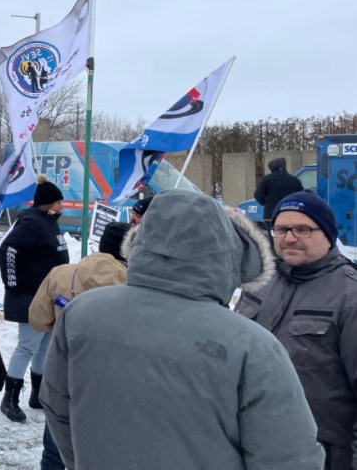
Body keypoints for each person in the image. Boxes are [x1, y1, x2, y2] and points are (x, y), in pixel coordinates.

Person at [41, 189, 325, 469]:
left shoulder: (82, 313)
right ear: (228, 254)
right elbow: (289, 458)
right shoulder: (252, 346)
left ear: (143, 241)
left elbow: (57, 409)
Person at [235, 192, 357, 469]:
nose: (289, 238)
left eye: (303, 229)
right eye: (281, 229)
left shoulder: (350, 296)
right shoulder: (259, 283)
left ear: (327, 234)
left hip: (319, 453)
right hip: (249, 443)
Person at [28, 221, 129, 470]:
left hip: (63, 371)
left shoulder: (61, 274)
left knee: (53, 451)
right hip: (114, 381)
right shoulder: (137, 286)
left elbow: (37, 320)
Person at [0, 175, 68, 422]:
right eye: (59, 202)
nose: (62, 205)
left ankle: (38, 394)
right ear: (47, 203)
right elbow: (8, 249)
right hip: (29, 296)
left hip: (48, 297)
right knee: (28, 345)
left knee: (45, 345)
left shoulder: (49, 221)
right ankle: (10, 399)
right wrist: (13, 284)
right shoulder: (31, 222)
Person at [254, 157, 304, 232]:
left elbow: (258, 195)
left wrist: (264, 202)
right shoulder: (295, 180)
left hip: (271, 215)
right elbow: (302, 197)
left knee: (273, 239)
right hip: (289, 214)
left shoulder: (267, 179)